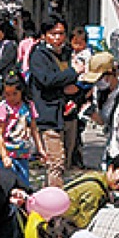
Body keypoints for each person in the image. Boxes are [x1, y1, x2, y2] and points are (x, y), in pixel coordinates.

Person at [28, 17, 80, 188]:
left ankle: (49, 194)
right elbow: (46, 80)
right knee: (55, 162)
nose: (58, 38)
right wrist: (72, 74)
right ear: (44, 35)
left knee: (65, 162)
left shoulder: (66, 53)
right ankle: (54, 204)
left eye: (61, 34)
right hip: (48, 115)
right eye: (53, 34)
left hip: (68, 113)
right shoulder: (38, 54)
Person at [0, 74, 38, 186]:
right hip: (4, 151)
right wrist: (4, 156)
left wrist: (40, 149)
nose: (11, 98)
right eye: (7, 94)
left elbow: (34, 129)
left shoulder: (28, 106)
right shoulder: (3, 107)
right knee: (6, 184)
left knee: (23, 183)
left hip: (22, 152)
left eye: (15, 94)